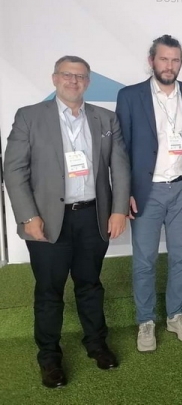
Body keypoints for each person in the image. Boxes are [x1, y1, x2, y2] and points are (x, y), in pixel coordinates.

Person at [4, 55, 130, 388]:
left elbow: (120, 166)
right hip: (46, 221)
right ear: (55, 78)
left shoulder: (105, 118)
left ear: (88, 81)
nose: (74, 81)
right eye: (67, 75)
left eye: (80, 76)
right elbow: (14, 170)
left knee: (90, 284)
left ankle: (97, 344)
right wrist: (28, 216)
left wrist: (118, 210)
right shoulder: (30, 116)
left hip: (93, 217)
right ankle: (49, 358)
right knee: (49, 292)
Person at [116, 35, 182, 352]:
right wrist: (125, 192)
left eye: (175, 60)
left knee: (181, 258)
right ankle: (146, 321)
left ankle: (176, 315)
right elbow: (121, 150)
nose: (169, 65)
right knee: (144, 260)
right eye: (164, 59)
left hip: (181, 188)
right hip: (146, 191)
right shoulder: (130, 96)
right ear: (152, 60)